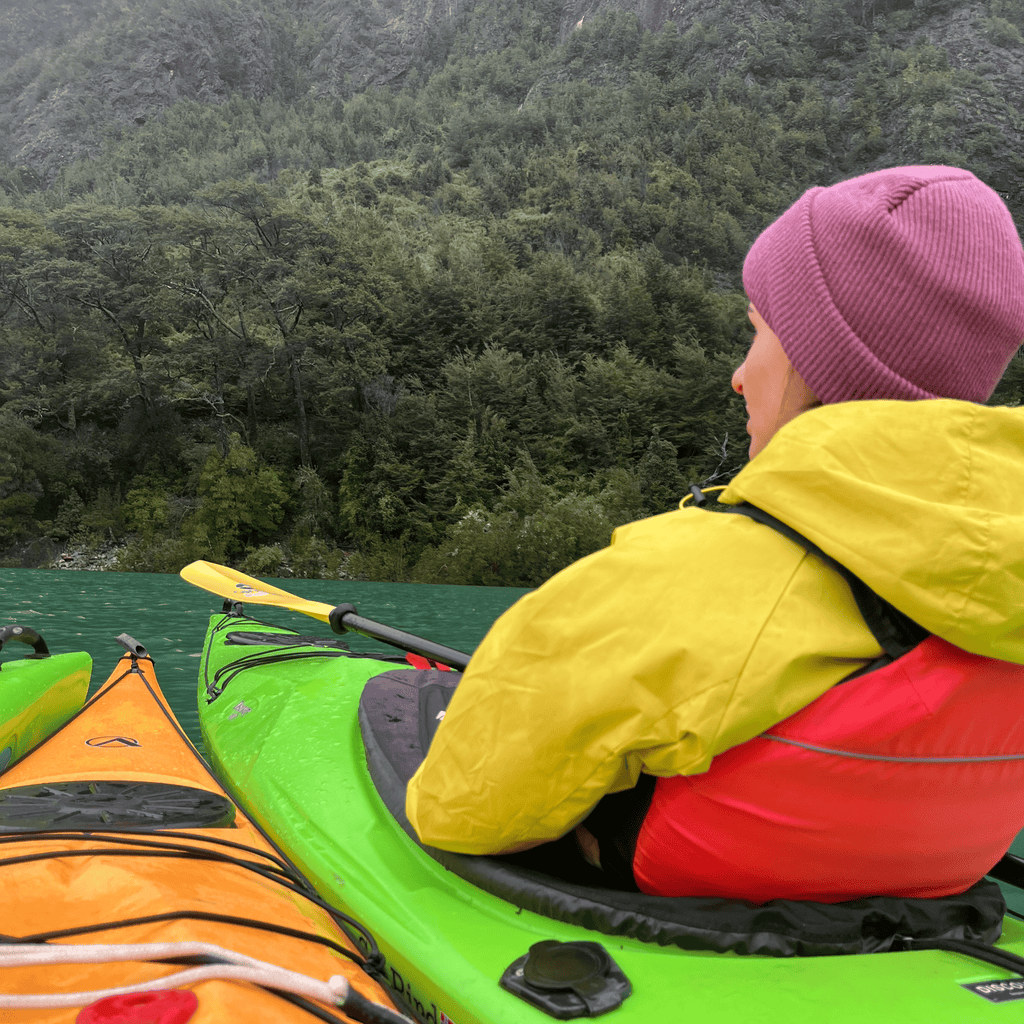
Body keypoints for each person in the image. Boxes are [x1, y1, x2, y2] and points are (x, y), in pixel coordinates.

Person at [405, 165, 1024, 902]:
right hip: (922, 895)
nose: (738, 375)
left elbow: (458, 810)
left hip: (676, 906)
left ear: (821, 359)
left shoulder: (682, 577)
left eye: (757, 334)